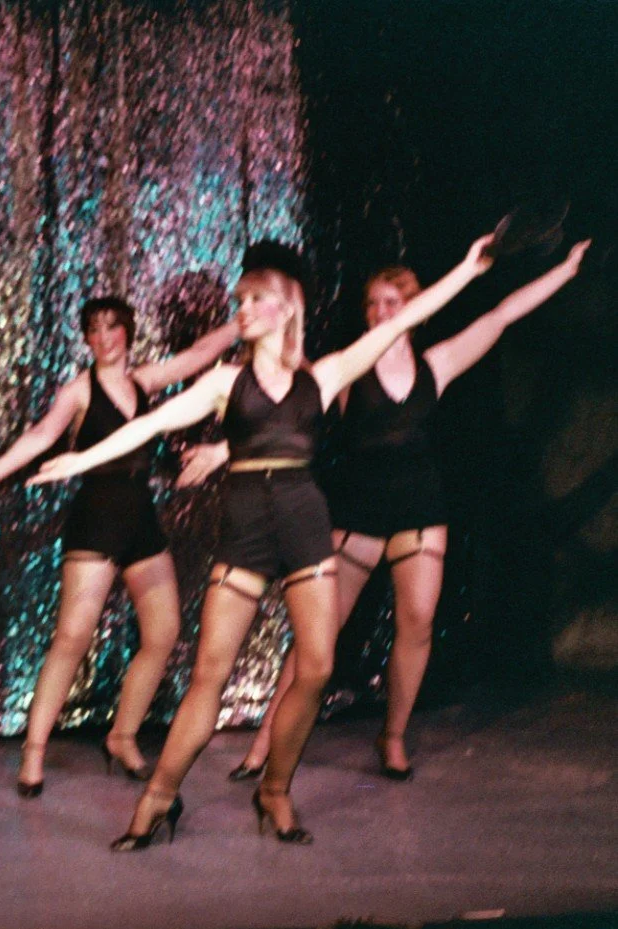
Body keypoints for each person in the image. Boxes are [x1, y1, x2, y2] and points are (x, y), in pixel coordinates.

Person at [29, 235, 493, 847]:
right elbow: (151, 422)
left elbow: (403, 319)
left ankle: (274, 790)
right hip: (246, 525)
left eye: (254, 299)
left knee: (318, 666)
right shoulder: (226, 382)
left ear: (287, 309)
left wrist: (467, 266)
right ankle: (157, 800)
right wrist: (79, 458)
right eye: (239, 298)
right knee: (208, 677)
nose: (241, 308)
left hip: (303, 517)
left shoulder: (324, 377)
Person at [197, 240, 590, 781]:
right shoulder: (348, 367)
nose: (381, 312)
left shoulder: (438, 363)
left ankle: (394, 735)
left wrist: (567, 271)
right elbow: (277, 408)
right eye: (373, 304)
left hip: (420, 506)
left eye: (391, 302)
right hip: (358, 507)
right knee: (321, 633)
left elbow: (501, 315)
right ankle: (266, 742)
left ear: (414, 305)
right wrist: (224, 448)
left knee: (418, 624)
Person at [0, 297, 240, 794]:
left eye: (113, 327)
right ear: (86, 338)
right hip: (96, 521)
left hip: (141, 522)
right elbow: (42, 435)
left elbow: (197, 357)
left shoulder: (143, 381)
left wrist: (243, 324)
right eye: (95, 329)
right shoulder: (78, 391)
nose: (106, 337)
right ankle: (34, 752)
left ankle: (123, 736)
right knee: (71, 638)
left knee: (163, 633)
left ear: (128, 333)